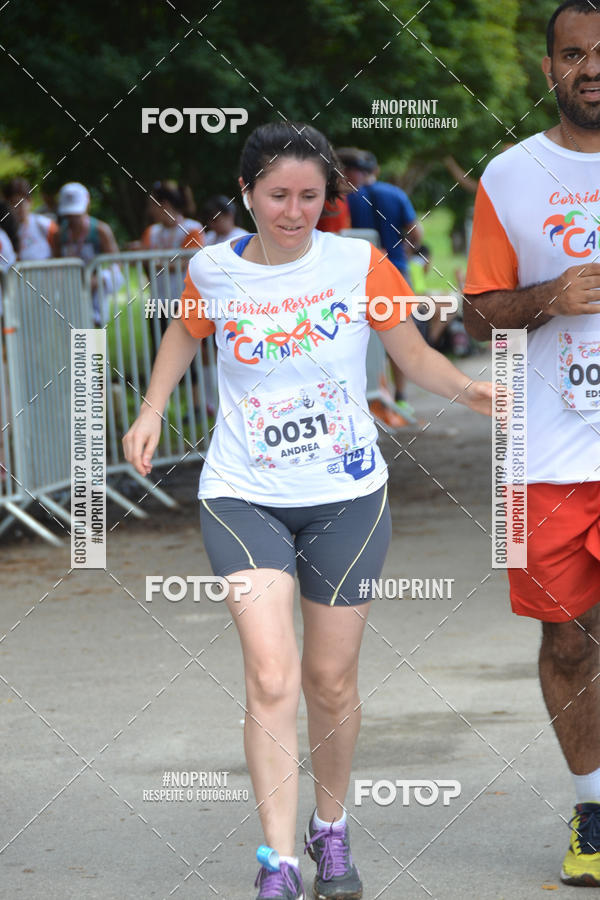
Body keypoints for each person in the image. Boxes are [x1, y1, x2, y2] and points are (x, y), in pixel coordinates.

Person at [123, 121, 493, 900]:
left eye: (310, 196)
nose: (293, 211)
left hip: (347, 497)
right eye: (278, 195)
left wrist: (471, 390)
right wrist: (152, 409)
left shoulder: (358, 262)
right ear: (248, 193)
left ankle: (330, 830)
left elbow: (414, 354)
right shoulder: (213, 271)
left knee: (328, 680)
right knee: (269, 674)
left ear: (328, 199)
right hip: (241, 493)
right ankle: (278, 862)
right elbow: (184, 339)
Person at [463, 0, 600, 887]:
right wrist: (548, 296)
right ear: (548, 69)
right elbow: (479, 311)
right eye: (574, 53)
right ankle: (596, 812)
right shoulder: (508, 176)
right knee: (568, 645)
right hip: (546, 457)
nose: (592, 67)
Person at [340, 148, 425, 420]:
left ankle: (370, 398)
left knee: (362, 339)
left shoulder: (345, 200)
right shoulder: (395, 194)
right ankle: (400, 398)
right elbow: (416, 233)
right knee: (399, 337)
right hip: (397, 271)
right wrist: (403, 253)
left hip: (358, 276)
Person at [51, 182, 122, 325]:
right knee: (73, 331)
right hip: (70, 291)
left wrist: (99, 280)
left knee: (92, 331)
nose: (73, 218)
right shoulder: (59, 235)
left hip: (95, 293)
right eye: (69, 214)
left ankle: (94, 346)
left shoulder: (101, 231)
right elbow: (56, 262)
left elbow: (117, 262)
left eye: (77, 213)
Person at [3, 177, 57, 260]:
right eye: (12, 204)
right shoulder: (4, 231)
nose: (15, 209)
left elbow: (59, 255)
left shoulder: (46, 225)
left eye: (19, 204)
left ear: (30, 201)